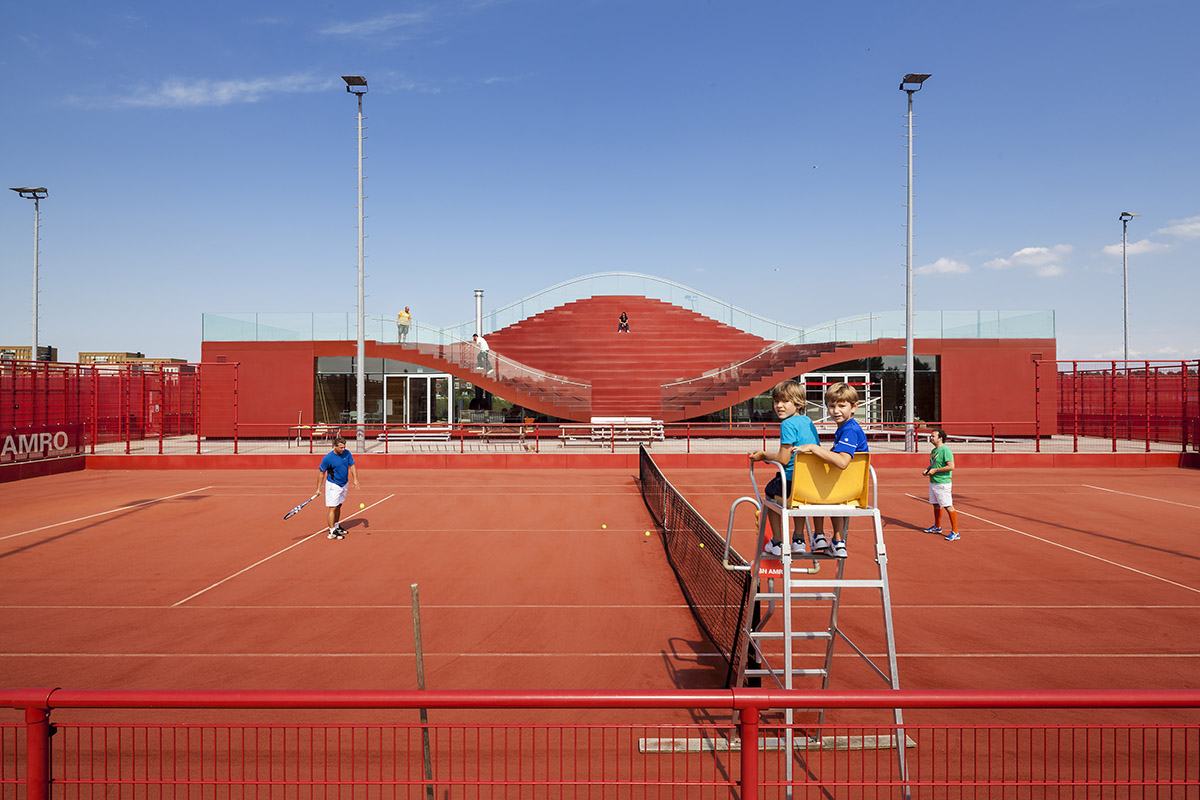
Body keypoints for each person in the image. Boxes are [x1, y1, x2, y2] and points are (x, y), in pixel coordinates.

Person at [749, 379, 819, 557]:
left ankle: (778, 541)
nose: (779, 406)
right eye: (776, 401)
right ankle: (798, 539)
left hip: (790, 480)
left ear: (798, 403)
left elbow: (784, 459)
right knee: (798, 501)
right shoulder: (808, 421)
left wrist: (764, 455)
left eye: (785, 401)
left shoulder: (787, 424)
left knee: (770, 494)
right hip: (809, 482)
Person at [798, 382, 868, 559]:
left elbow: (843, 462)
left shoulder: (850, 430)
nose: (836, 411)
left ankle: (819, 535)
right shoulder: (844, 429)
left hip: (848, 489)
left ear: (854, 407)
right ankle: (836, 542)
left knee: (814, 485)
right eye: (831, 406)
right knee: (826, 487)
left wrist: (814, 448)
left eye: (842, 406)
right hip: (844, 490)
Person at [317, 435, 360, 540]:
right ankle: (331, 531)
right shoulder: (328, 458)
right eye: (341, 447)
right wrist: (318, 489)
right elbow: (321, 473)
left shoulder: (347, 453)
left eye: (344, 447)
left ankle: (336, 526)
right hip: (333, 485)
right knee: (333, 507)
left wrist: (355, 479)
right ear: (335, 446)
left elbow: (352, 465)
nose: (343, 449)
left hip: (344, 483)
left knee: (339, 505)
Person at [923, 429, 960, 541]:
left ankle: (955, 532)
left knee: (948, 506)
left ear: (940, 438)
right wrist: (928, 469)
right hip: (933, 482)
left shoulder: (946, 450)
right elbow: (933, 464)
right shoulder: (934, 450)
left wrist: (936, 470)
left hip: (943, 483)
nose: (931, 438)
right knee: (935, 504)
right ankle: (937, 527)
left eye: (933, 436)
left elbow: (951, 466)